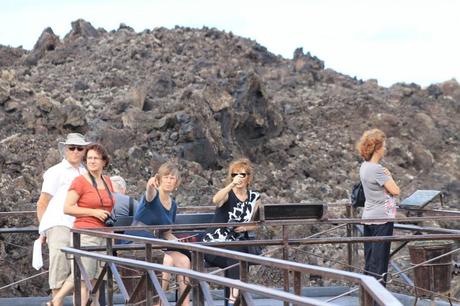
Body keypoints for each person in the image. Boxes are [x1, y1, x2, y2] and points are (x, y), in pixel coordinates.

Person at [36, 133, 90, 306]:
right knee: (59, 271)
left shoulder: (86, 173)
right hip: (58, 223)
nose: (75, 151)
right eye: (72, 147)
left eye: (79, 148)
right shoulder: (55, 172)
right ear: (65, 150)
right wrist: (43, 230)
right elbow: (42, 202)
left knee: (81, 271)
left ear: (84, 151)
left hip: (80, 226)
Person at [130, 161, 190, 306]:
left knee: (184, 261)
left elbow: (167, 233)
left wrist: (179, 241)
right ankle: (159, 303)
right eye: (166, 177)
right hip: (139, 238)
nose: (169, 181)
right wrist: (150, 185)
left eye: (172, 178)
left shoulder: (173, 204)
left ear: (176, 182)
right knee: (167, 260)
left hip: (158, 241)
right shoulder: (153, 196)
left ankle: (184, 302)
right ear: (160, 179)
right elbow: (149, 193)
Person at [203, 158, 261, 306]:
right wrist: (231, 185)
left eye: (242, 174)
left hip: (238, 244)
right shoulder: (228, 194)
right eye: (235, 174)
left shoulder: (254, 197)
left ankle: (234, 301)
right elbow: (216, 200)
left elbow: (257, 223)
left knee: (239, 256)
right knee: (237, 258)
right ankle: (236, 301)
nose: (239, 178)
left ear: (249, 178)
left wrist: (246, 227)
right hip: (214, 244)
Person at [63, 143, 115, 306]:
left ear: (104, 161)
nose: (92, 161)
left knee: (97, 282)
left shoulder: (107, 181)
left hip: (105, 235)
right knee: (84, 282)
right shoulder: (80, 181)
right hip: (86, 235)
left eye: (96, 158)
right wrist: (93, 212)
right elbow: (67, 208)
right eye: (89, 158)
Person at [357, 129, 400, 286]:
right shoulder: (378, 169)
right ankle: (378, 299)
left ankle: (368, 297)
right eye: (383, 146)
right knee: (380, 263)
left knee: (370, 261)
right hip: (382, 218)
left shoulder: (364, 166)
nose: (385, 149)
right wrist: (390, 176)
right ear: (377, 148)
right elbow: (395, 190)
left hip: (368, 217)